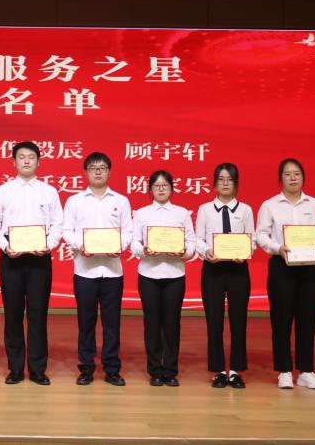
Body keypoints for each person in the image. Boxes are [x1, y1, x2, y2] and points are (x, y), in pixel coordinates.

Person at [0, 141, 63, 385]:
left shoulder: (49, 192)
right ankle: (16, 368)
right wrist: (5, 246)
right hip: (11, 256)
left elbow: (58, 224)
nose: (27, 160)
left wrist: (48, 245)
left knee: (38, 314)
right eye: (22, 157)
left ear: (38, 161)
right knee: (12, 314)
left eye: (31, 157)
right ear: (14, 162)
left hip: (40, 258)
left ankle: (38, 369)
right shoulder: (3, 191)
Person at [61, 152, 132, 387]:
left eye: (102, 167)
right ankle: (86, 368)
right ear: (86, 172)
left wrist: (119, 246)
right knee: (86, 322)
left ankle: (112, 369)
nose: (98, 171)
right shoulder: (75, 201)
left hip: (112, 271)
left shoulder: (121, 201)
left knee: (112, 323)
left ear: (109, 171)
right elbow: (67, 231)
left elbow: (128, 232)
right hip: (85, 271)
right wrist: (80, 245)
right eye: (93, 168)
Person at [256, 158, 315, 390]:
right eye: (288, 174)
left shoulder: (314, 204)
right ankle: (284, 370)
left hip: (310, 266)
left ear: (303, 177)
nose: (293, 178)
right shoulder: (270, 205)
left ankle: (306, 371)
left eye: (297, 174)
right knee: (281, 320)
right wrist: (278, 248)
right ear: (280, 179)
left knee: (308, 319)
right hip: (281, 266)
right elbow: (261, 235)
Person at [130, 170, 195, 387]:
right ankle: (155, 370)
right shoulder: (141, 213)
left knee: (172, 324)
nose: (161, 189)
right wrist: (144, 250)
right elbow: (134, 242)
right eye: (156, 186)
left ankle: (171, 370)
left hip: (175, 274)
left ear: (171, 188)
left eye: (165, 185)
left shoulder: (182, 213)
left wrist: (183, 251)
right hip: (148, 274)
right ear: (150, 189)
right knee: (151, 323)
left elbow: (191, 243)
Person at [195, 163, 255, 389]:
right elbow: (198, 239)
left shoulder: (245, 210)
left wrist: (246, 252)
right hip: (213, 269)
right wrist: (206, 252)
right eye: (221, 179)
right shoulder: (205, 209)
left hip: (238, 269)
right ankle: (219, 370)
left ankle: (237, 370)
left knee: (239, 321)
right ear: (214, 184)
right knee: (214, 321)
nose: (225, 183)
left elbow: (252, 238)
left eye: (230, 179)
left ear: (236, 183)